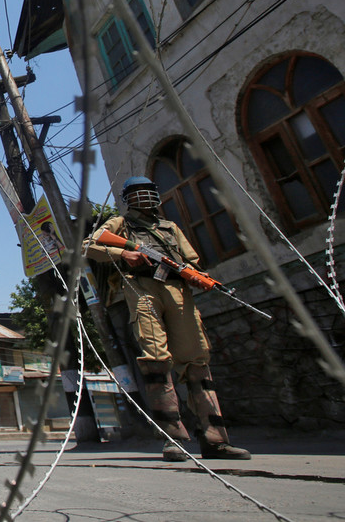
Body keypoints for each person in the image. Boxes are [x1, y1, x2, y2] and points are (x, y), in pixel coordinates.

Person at [84, 177, 251, 462]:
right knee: (156, 359)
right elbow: (89, 246)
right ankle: (173, 438)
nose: (144, 197)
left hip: (178, 290)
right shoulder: (120, 224)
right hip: (142, 288)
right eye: (137, 194)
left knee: (197, 359)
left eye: (148, 192)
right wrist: (123, 252)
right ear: (127, 199)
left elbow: (191, 259)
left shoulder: (169, 227)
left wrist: (198, 277)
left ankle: (215, 440)